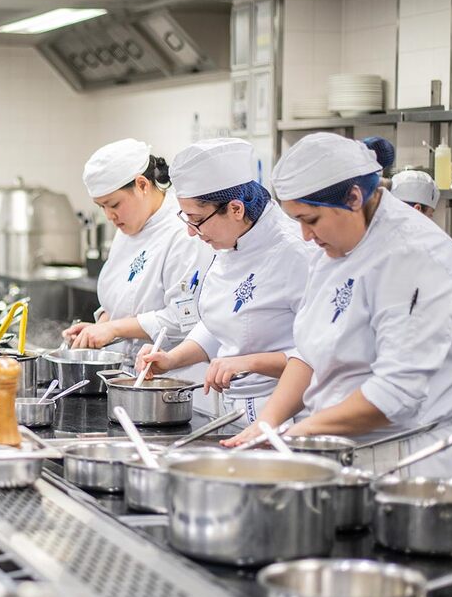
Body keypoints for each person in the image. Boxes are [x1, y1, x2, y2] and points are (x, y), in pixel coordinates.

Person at [223, 133, 452, 482]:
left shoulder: (413, 256)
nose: (306, 235)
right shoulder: (334, 247)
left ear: (354, 197)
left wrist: (299, 433)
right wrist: (268, 422)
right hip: (351, 454)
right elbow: (309, 354)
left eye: (311, 220)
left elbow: (396, 394)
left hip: (419, 465)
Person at [134, 139, 317, 427]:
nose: (192, 232)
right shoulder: (231, 240)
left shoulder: (297, 253)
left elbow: (319, 352)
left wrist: (248, 362)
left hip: (288, 416)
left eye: (196, 220)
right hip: (235, 412)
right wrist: (171, 359)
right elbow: (221, 323)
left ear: (235, 209)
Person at [62, 139, 212, 358]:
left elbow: (185, 318)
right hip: (122, 369)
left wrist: (114, 329)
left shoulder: (183, 233)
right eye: (101, 206)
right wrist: (99, 328)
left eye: (114, 204)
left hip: (169, 373)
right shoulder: (127, 227)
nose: (109, 216)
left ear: (142, 185)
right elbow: (120, 301)